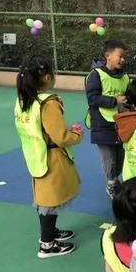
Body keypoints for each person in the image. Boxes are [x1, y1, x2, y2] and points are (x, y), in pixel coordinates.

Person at [14, 55, 83, 258]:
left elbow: (41, 129)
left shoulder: (23, 100)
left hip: (36, 155)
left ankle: (50, 233)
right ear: (46, 77)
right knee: (49, 201)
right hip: (51, 158)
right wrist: (76, 134)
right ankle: (47, 244)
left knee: (43, 198)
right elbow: (61, 137)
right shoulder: (48, 102)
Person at [85, 40, 129, 198]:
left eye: (124, 56)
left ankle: (116, 181)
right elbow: (92, 98)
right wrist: (113, 101)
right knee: (109, 158)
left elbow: (127, 97)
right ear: (108, 56)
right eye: (120, 56)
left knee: (120, 156)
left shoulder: (124, 77)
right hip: (102, 124)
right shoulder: (96, 75)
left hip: (120, 123)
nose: (123, 59)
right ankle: (111, 184)